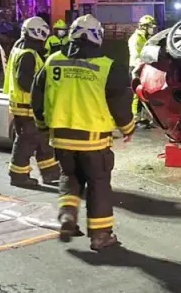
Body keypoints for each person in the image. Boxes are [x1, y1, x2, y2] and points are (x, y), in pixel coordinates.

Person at [31, 14, 135, 251]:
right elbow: (120, 104)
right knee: (98, 185)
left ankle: (67, 214)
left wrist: (42, 125)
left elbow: (37, 98)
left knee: (70, 177)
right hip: (93, 141)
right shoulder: (108, 67)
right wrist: (128, 128)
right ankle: (100, 236)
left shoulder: (53, 62)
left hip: (61, 138)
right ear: (98, 37)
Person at [3, 17, 61, 188]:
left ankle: (50, 173)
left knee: (42, 140)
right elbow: (24, 81)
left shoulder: (19, 48)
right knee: (26, 142)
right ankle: (18, 176)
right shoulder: (28, 53)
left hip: (23, 105)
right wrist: (42, 91)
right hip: (27, 107)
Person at [128, 15, 156, 128]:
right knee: (137, 94)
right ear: (144, 26)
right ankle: (135, 119)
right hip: (136, 68)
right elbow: (136, 55)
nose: (152, 29)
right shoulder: (136, 38)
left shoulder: (145, 37)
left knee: (144, 93)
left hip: (144, 68)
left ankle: (143, 117)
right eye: (151, 26)